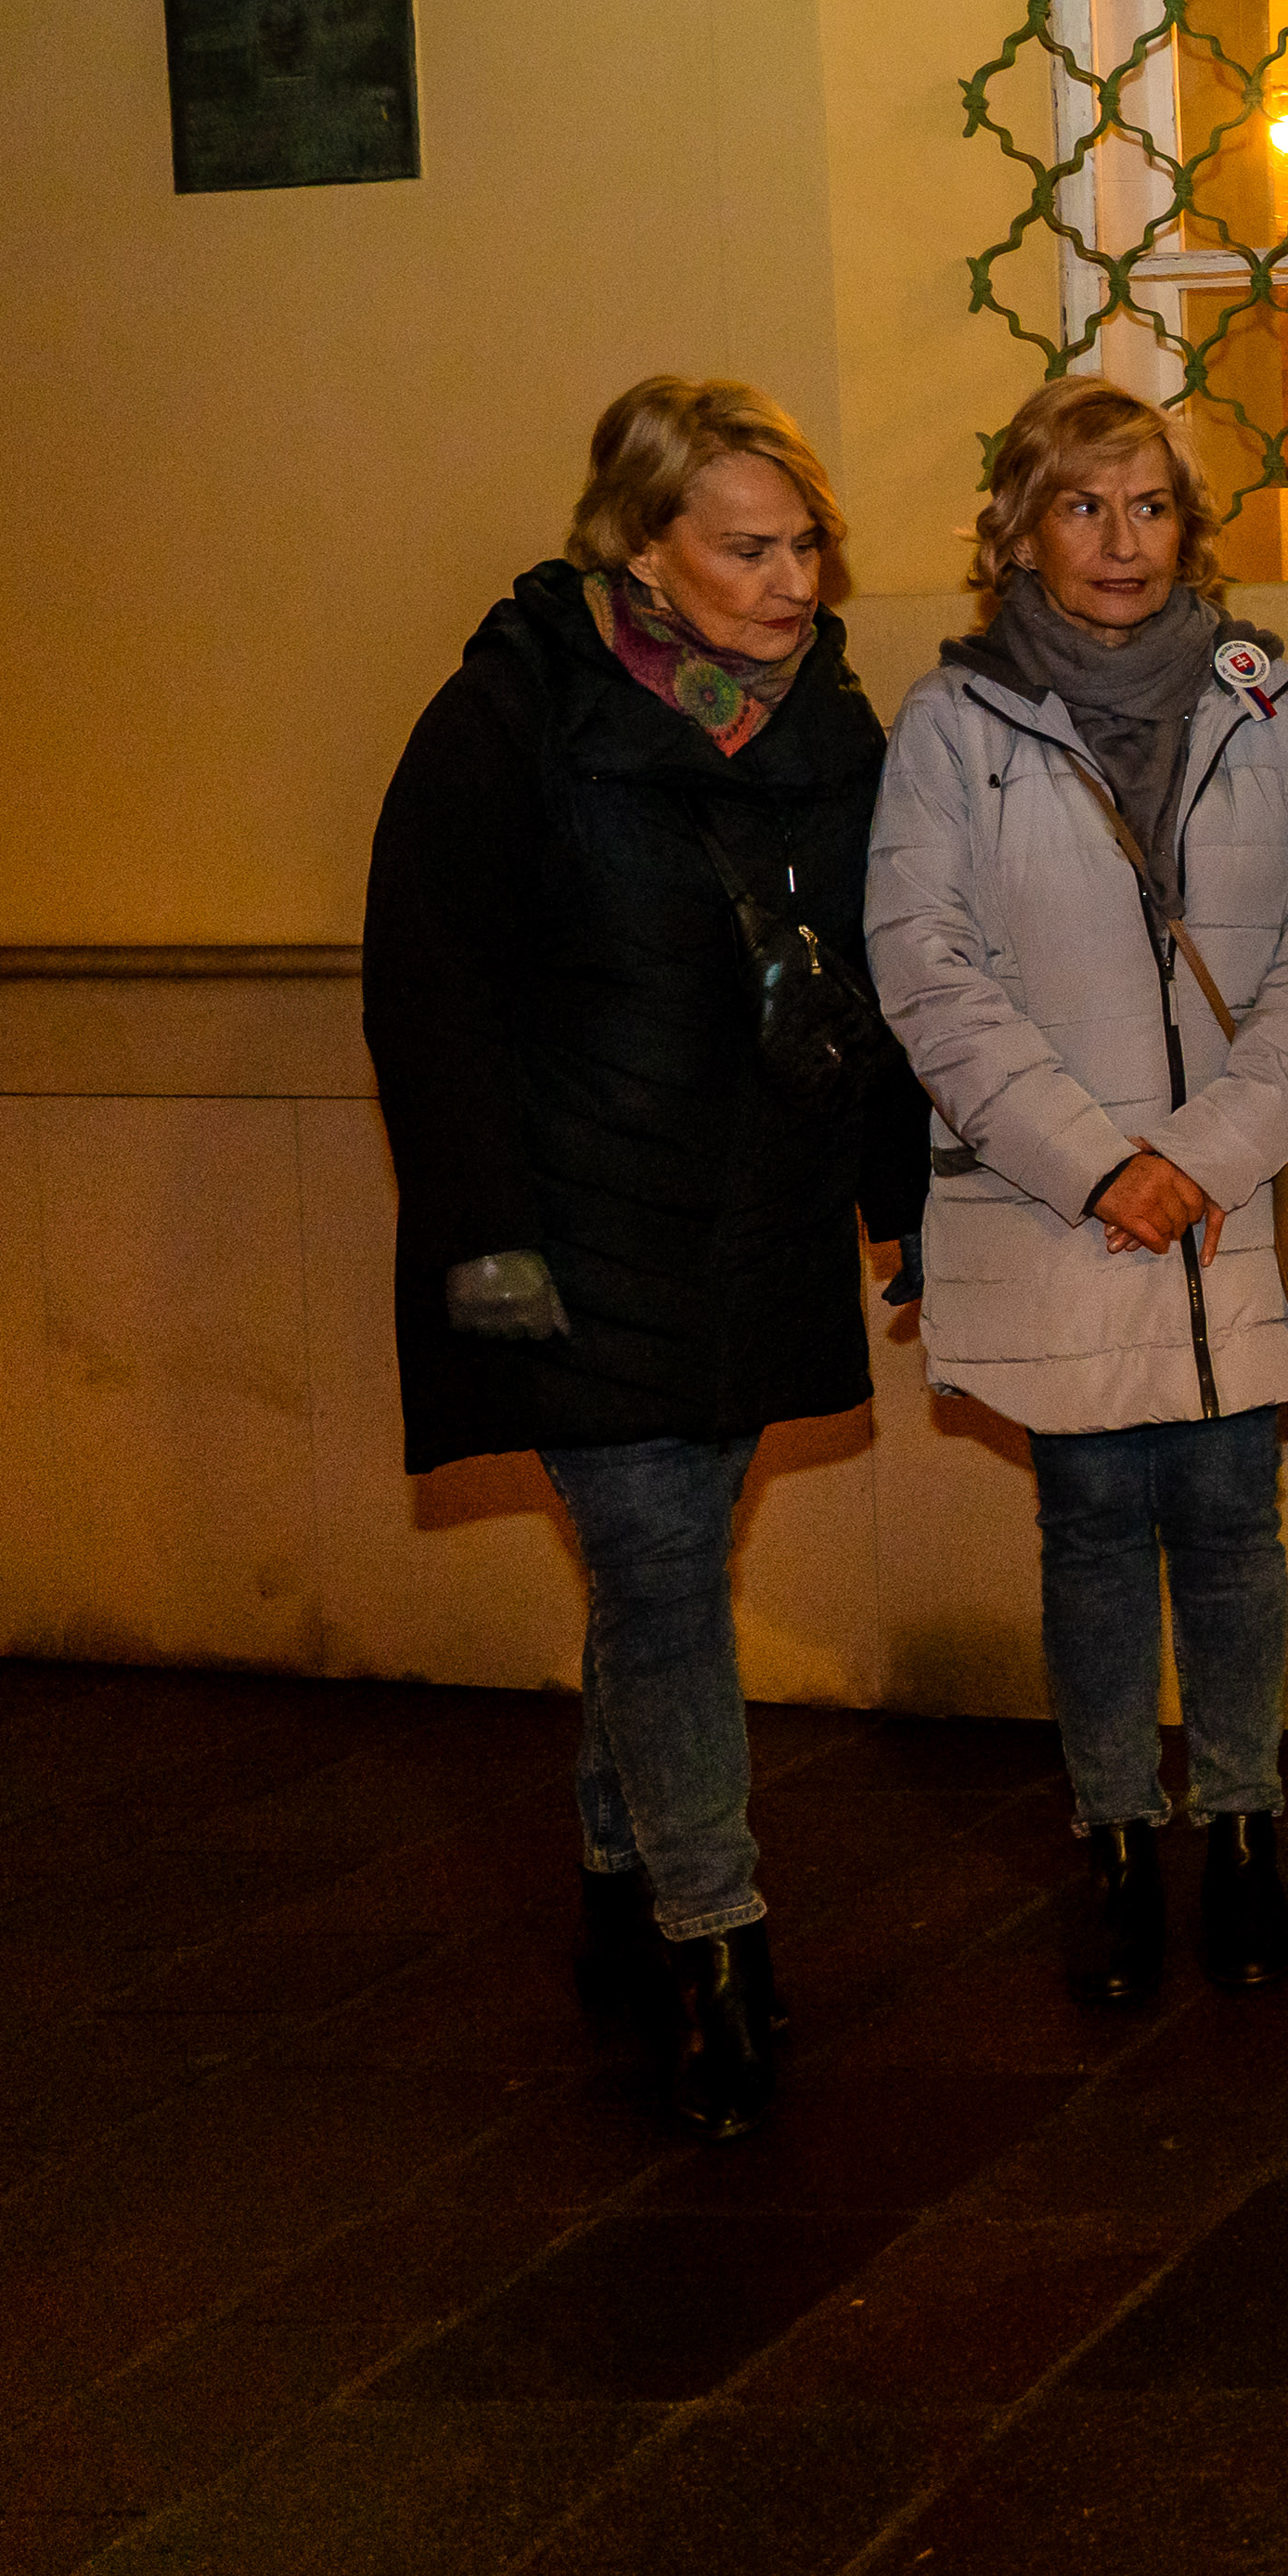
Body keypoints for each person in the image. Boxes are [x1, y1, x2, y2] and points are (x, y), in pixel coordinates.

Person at [367, 375, 918, 2141]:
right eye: (749, 547)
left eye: (806, 542)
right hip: (570, 1220)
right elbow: (428, 994)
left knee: (671, 1556)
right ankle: (718, 1939)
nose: (792, 580)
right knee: (671, 1567)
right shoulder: (513, 711)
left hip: (758, 1217)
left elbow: (893, 974)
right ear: (644, 552)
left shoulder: (836, 727)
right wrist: (483, 1257)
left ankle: (614, 1863)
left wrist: (901, 1191)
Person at [866, 376, 1288, 2009]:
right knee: (1090, 1530)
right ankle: (1114, 1839)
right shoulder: (952, 725)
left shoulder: (1262, 692)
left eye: (1149, 506)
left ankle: (1240, 1833)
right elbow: (926, 972)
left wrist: (1204, 1155)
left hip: (1224, 1195)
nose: (1120, 541)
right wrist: (1104, 1166)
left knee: (1230, 1522)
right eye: (1083, 507)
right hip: (1056, 1201)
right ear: (1016, 528)